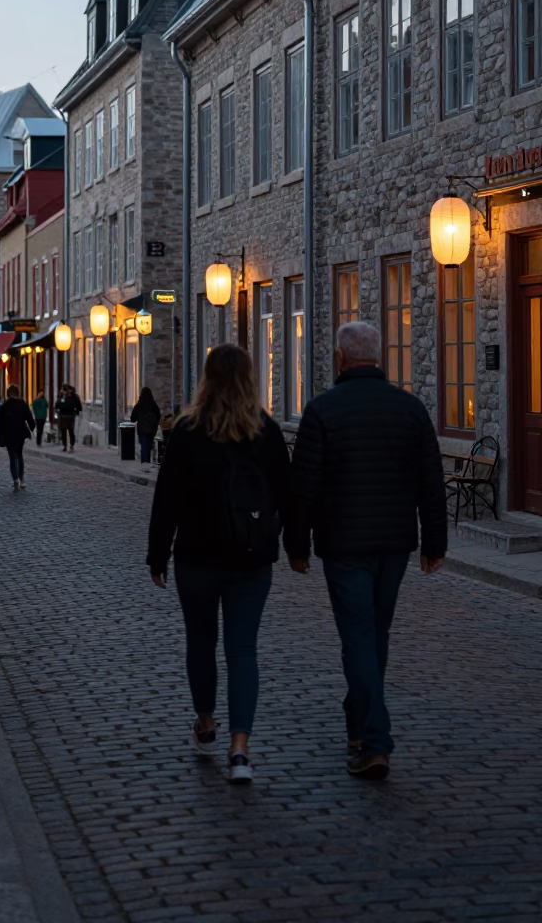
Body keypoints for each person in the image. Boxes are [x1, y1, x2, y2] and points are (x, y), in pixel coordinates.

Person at [285, 321, 447, 782]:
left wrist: (296, 544)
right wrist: (434, 543)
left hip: (344, 543)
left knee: (359, 636)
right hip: (393, 542)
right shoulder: (410, 409)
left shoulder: (322, 411)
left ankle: (374, 740)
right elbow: (431, 485)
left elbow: (304, 487)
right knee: (375, 634)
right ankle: (359, 724)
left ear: (340, 358)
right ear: (379, 357)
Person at [147, 344, 290, 784]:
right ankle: (240, 749)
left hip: (197, 556)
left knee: (201, 641)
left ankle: (206, 723)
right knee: (243, 650)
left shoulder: (189, 430)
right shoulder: (266, 431)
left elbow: (166, 498)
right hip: (250, 557)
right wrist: (289, 542)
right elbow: (287, 493)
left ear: (206, 378)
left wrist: (157, 554)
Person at [0, 384, 35, 490]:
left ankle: (15, 479)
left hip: (9, 435)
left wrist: (0, 435)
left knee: (12, 457)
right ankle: (21, 479)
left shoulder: (5, 406)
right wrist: (31, 429)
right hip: (20, 434)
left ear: (8, 394)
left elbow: (0, 422)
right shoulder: (22, 404)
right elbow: (30, 418)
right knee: (19, 455)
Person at [131, 386, 162, 464]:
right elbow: (158, 415)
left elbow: (133, 418)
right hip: (151, 430)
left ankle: (144, 461)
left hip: (142, 429)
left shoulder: (139, 405)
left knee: (144, 446)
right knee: (148, 445)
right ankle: (146, 460)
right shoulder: (153, 404)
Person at [55, 383, 82, 451]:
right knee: (64, 430)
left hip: (70, 415)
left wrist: (77, 411)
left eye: (63, 390)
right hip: (63, 415)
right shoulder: (61, 396)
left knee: (70, 430)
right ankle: (65, 445)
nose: (62, 391)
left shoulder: (73, 396)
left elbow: (78, 406)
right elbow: (57, 405)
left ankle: (71, 445)